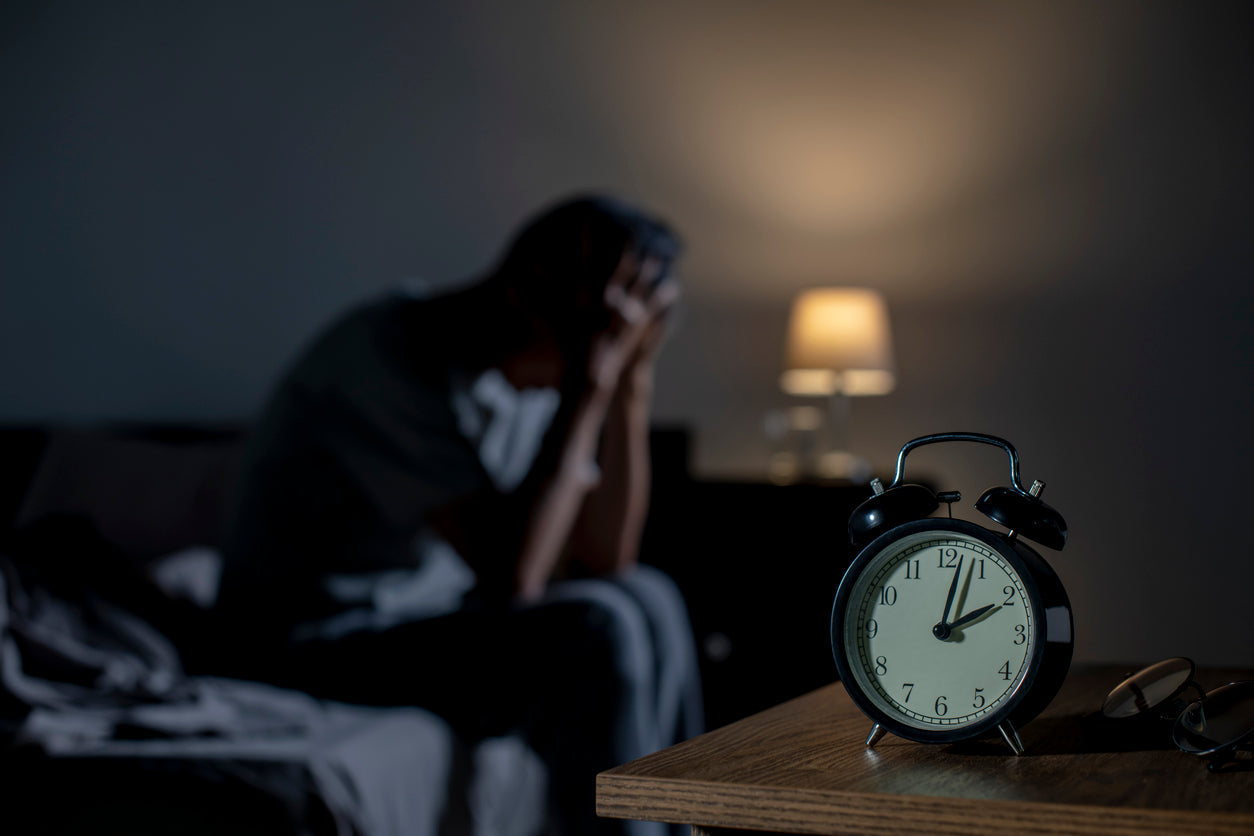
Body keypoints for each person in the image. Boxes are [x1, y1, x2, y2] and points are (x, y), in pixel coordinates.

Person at [216, 194, 704, 834]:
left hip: (421, 620)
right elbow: (514, 579)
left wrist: (630, 386)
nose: (617, 346)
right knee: (595, 628)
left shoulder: (531, 376)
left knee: (649, 594)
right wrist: (591, 386)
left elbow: (605, 559)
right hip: (304, 643)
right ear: (538, 295)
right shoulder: (383, 358)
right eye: (614, 329)